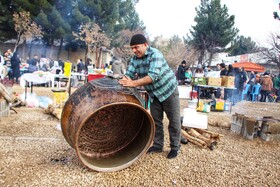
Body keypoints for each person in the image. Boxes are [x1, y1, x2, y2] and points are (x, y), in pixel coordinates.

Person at [119, 34, 182, 159]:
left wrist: (132, 83)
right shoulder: (134, 59)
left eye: (136, 47)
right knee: (155, 121)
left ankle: (175, 147)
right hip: (154, 94)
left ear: (145, 45)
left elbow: (153, 76)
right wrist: (123, 81)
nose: (134, 50)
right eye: (132, 48)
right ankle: (158, 145)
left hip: (168, 90)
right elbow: (129, 74)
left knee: (174, 121)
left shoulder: (155, 54)